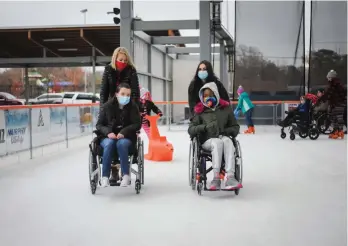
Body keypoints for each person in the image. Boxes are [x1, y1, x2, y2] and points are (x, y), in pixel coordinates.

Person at [188, 82, 240, 190]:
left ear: (216, 95)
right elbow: (191, 129)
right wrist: (204, 127)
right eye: (205, 96)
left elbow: (235, 127)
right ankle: (216, 177)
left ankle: (230, 176)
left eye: (210, 95)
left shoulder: (226, 109)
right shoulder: (200, 111)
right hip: (207, 140)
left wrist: (225, 131)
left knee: (228, 142)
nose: (208, 98)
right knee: (217, 143)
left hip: (223, 136)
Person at [96, 83, 141, 188]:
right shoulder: (107, 106)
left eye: (128, 95)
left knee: (122, 144)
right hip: (108, 137)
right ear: (116, 94)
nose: (126, 97)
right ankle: (105, 177)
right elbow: (99, 125)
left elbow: (137, 124)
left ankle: (126, 175)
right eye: (123, 94)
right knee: (109, 143)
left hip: (126, 137)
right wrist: (108, 132)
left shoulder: (133, 107)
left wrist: (123, 132)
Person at [316, 70, 346, 139]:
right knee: (333, 117)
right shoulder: (334, 84)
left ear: (332, 77)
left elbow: (328, 94)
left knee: (338, 117)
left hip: (339, 103)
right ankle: (335, 131)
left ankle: (340, 132)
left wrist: (320, 100)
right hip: (334, 103)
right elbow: (328, 94)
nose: (328, 79)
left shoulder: (335, 84)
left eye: (329, 77)